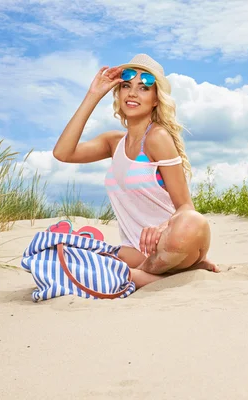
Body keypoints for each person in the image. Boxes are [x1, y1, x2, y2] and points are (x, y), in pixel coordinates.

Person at [53, 54, 218, 288]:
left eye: (143, 88)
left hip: (175, 242)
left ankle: (140, 276)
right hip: (137, 250)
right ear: (118, 94)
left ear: (155, 100)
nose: (132, 93)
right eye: (126, 86)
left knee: (192, 221)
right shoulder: (114, 142)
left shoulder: (157, 137)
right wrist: (93, 95)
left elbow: (185, 206)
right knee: (67, 255)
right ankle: (158, 276)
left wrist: (163, 228)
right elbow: (63, 153)